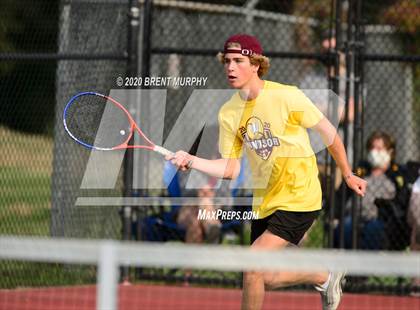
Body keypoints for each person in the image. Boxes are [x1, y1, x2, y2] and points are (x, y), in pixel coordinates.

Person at [166, 34, 367, 310]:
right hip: (265, 200)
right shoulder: (228, 113)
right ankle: (324, 275)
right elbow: (231, 168)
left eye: (238, 61)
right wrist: (192, 159)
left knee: (252, 266)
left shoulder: (287, 95)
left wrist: (347, 173)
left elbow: (329, 134)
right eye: (227, 61)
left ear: (256, 65)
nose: (230, 67)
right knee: (265, 277)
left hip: (300, 196)